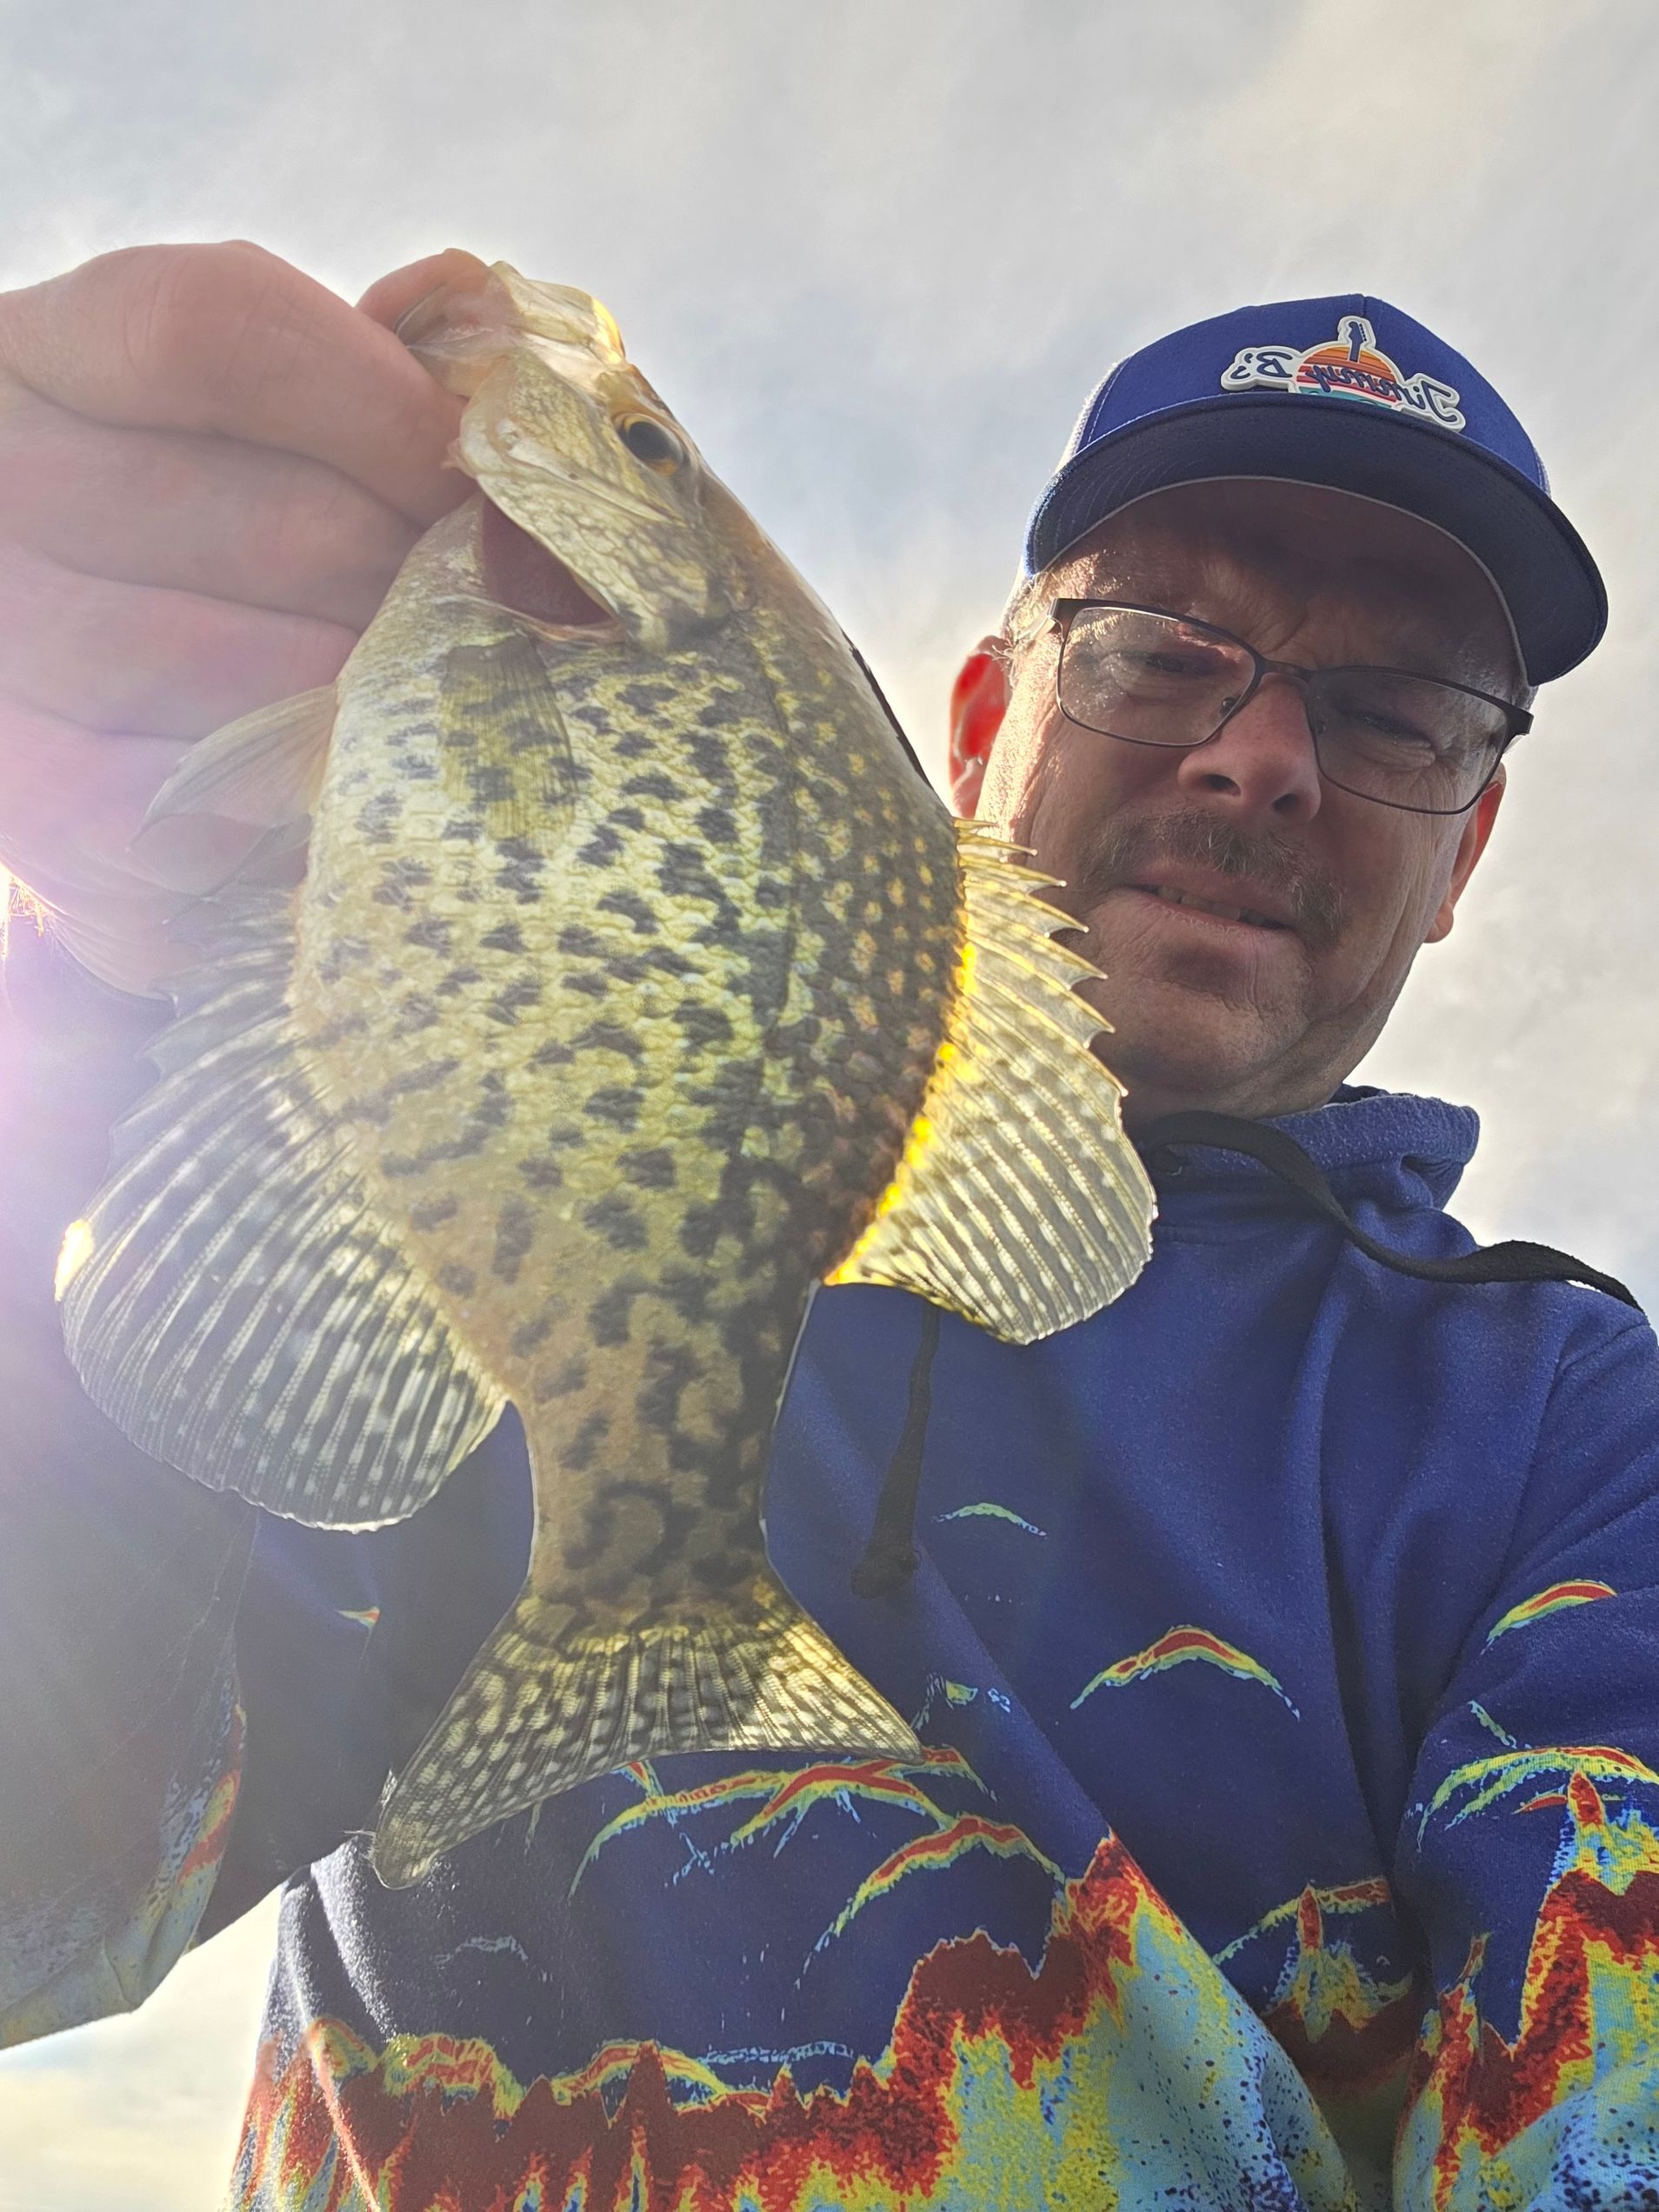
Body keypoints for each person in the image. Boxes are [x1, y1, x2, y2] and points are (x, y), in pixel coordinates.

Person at [0, 248, 1653, 2212]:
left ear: (1464, 849)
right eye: (1156, 649)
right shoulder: (497, 1245)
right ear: (976, 725)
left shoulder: (1568, 1433)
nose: (1257, 758)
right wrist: (110, 985)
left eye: (1393, 713)